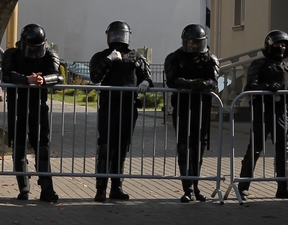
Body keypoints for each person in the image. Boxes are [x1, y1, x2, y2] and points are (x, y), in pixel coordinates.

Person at [237, 30, 288, 200]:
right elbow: (249, 87)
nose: (281, 47)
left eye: (284, 45)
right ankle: (243, 186)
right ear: (269, 46)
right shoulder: (259, 64)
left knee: (283, 150)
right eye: (277, 44)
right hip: (262, 111)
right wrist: (266, 86)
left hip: (282, 112)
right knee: (255, 148)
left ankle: (283, 187)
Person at [89, 21, 152, 202]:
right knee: (106, 146)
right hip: (109, 106)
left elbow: (146, 76)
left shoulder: (136, 57)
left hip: (128, 107)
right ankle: (101, 188)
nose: (118, 38)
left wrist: (146, 82)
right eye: (114, 35)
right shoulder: (102, 56)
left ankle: (116, 187)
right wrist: (109, 60)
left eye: (120, 35)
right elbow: (95, 76)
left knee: (122, 147)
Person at [0, 24, 63, 202]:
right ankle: (24, 188)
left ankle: (47, 188)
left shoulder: (50, 54)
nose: (34, 52)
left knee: (42, 146)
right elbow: (6, 75)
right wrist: (26, 80)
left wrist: (44, 80)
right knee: (19, 145)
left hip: (38, 104)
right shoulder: (12, 54)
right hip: (17, 104)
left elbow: (58, 76)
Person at [164, 24, 219, 203]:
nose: (194, 46)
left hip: (201, 107)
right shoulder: (174, 58)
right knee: (184, 146)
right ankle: (187, 188)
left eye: (197, 43)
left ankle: (196, 186)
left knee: (198, 147)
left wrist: (202, 84)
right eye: (191, 43)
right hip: (182, 106)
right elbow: (172, 81)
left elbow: (214, 80)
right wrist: (189, 83)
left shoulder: (210, 58)